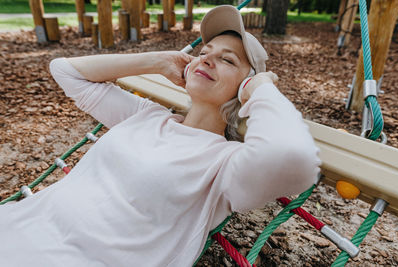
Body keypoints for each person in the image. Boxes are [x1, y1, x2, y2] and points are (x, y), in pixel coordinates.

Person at [0, 5, 320, 267]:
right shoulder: (147, 116)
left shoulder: (223, 164)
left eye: (227, 60)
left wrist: (261, 89)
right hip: (22, 224)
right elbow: (65, 71)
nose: (206, 58)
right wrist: (157, 61)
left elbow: (294, 158)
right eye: (204, 51)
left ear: (243, 88)